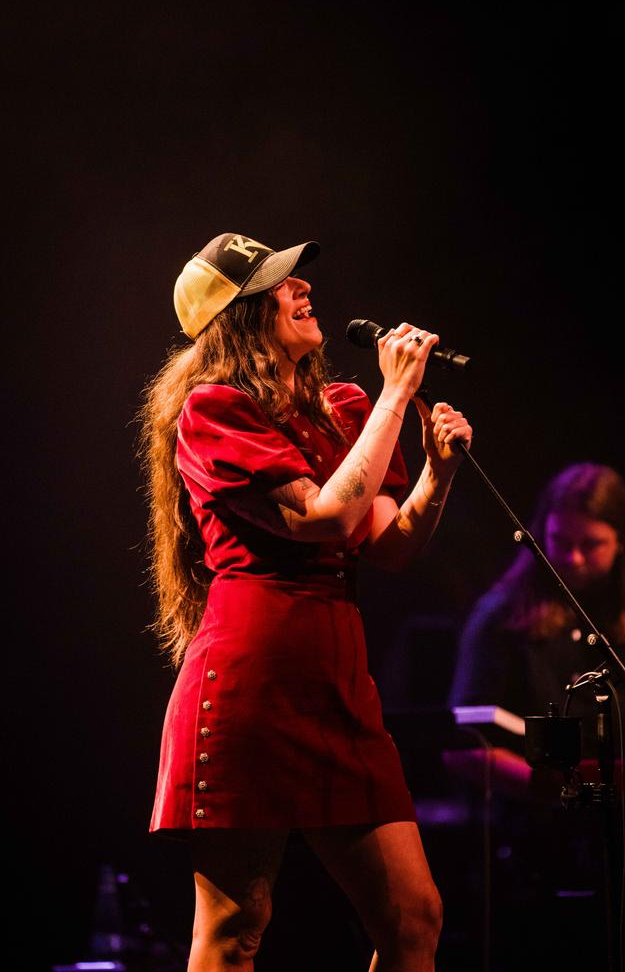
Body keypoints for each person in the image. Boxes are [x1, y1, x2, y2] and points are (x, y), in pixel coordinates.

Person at [138, 231, 473, 971]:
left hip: (337, 683)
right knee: (236, 927)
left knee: (414, 917)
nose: (303, 289)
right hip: (250, 683)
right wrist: (396, 398)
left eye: (298, 280)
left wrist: (437, 476)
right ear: (240, 316)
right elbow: (322, 518)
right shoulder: (213, 411)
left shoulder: (344, 406)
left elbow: (387, 544)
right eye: (281, 285)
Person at [449, 461, 625, 757]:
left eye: (591, 544)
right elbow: (465, 743)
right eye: (560, 541)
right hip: (534, 802)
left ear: (622, 542)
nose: (574, 558)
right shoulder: (502, 615)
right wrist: (551, 787)